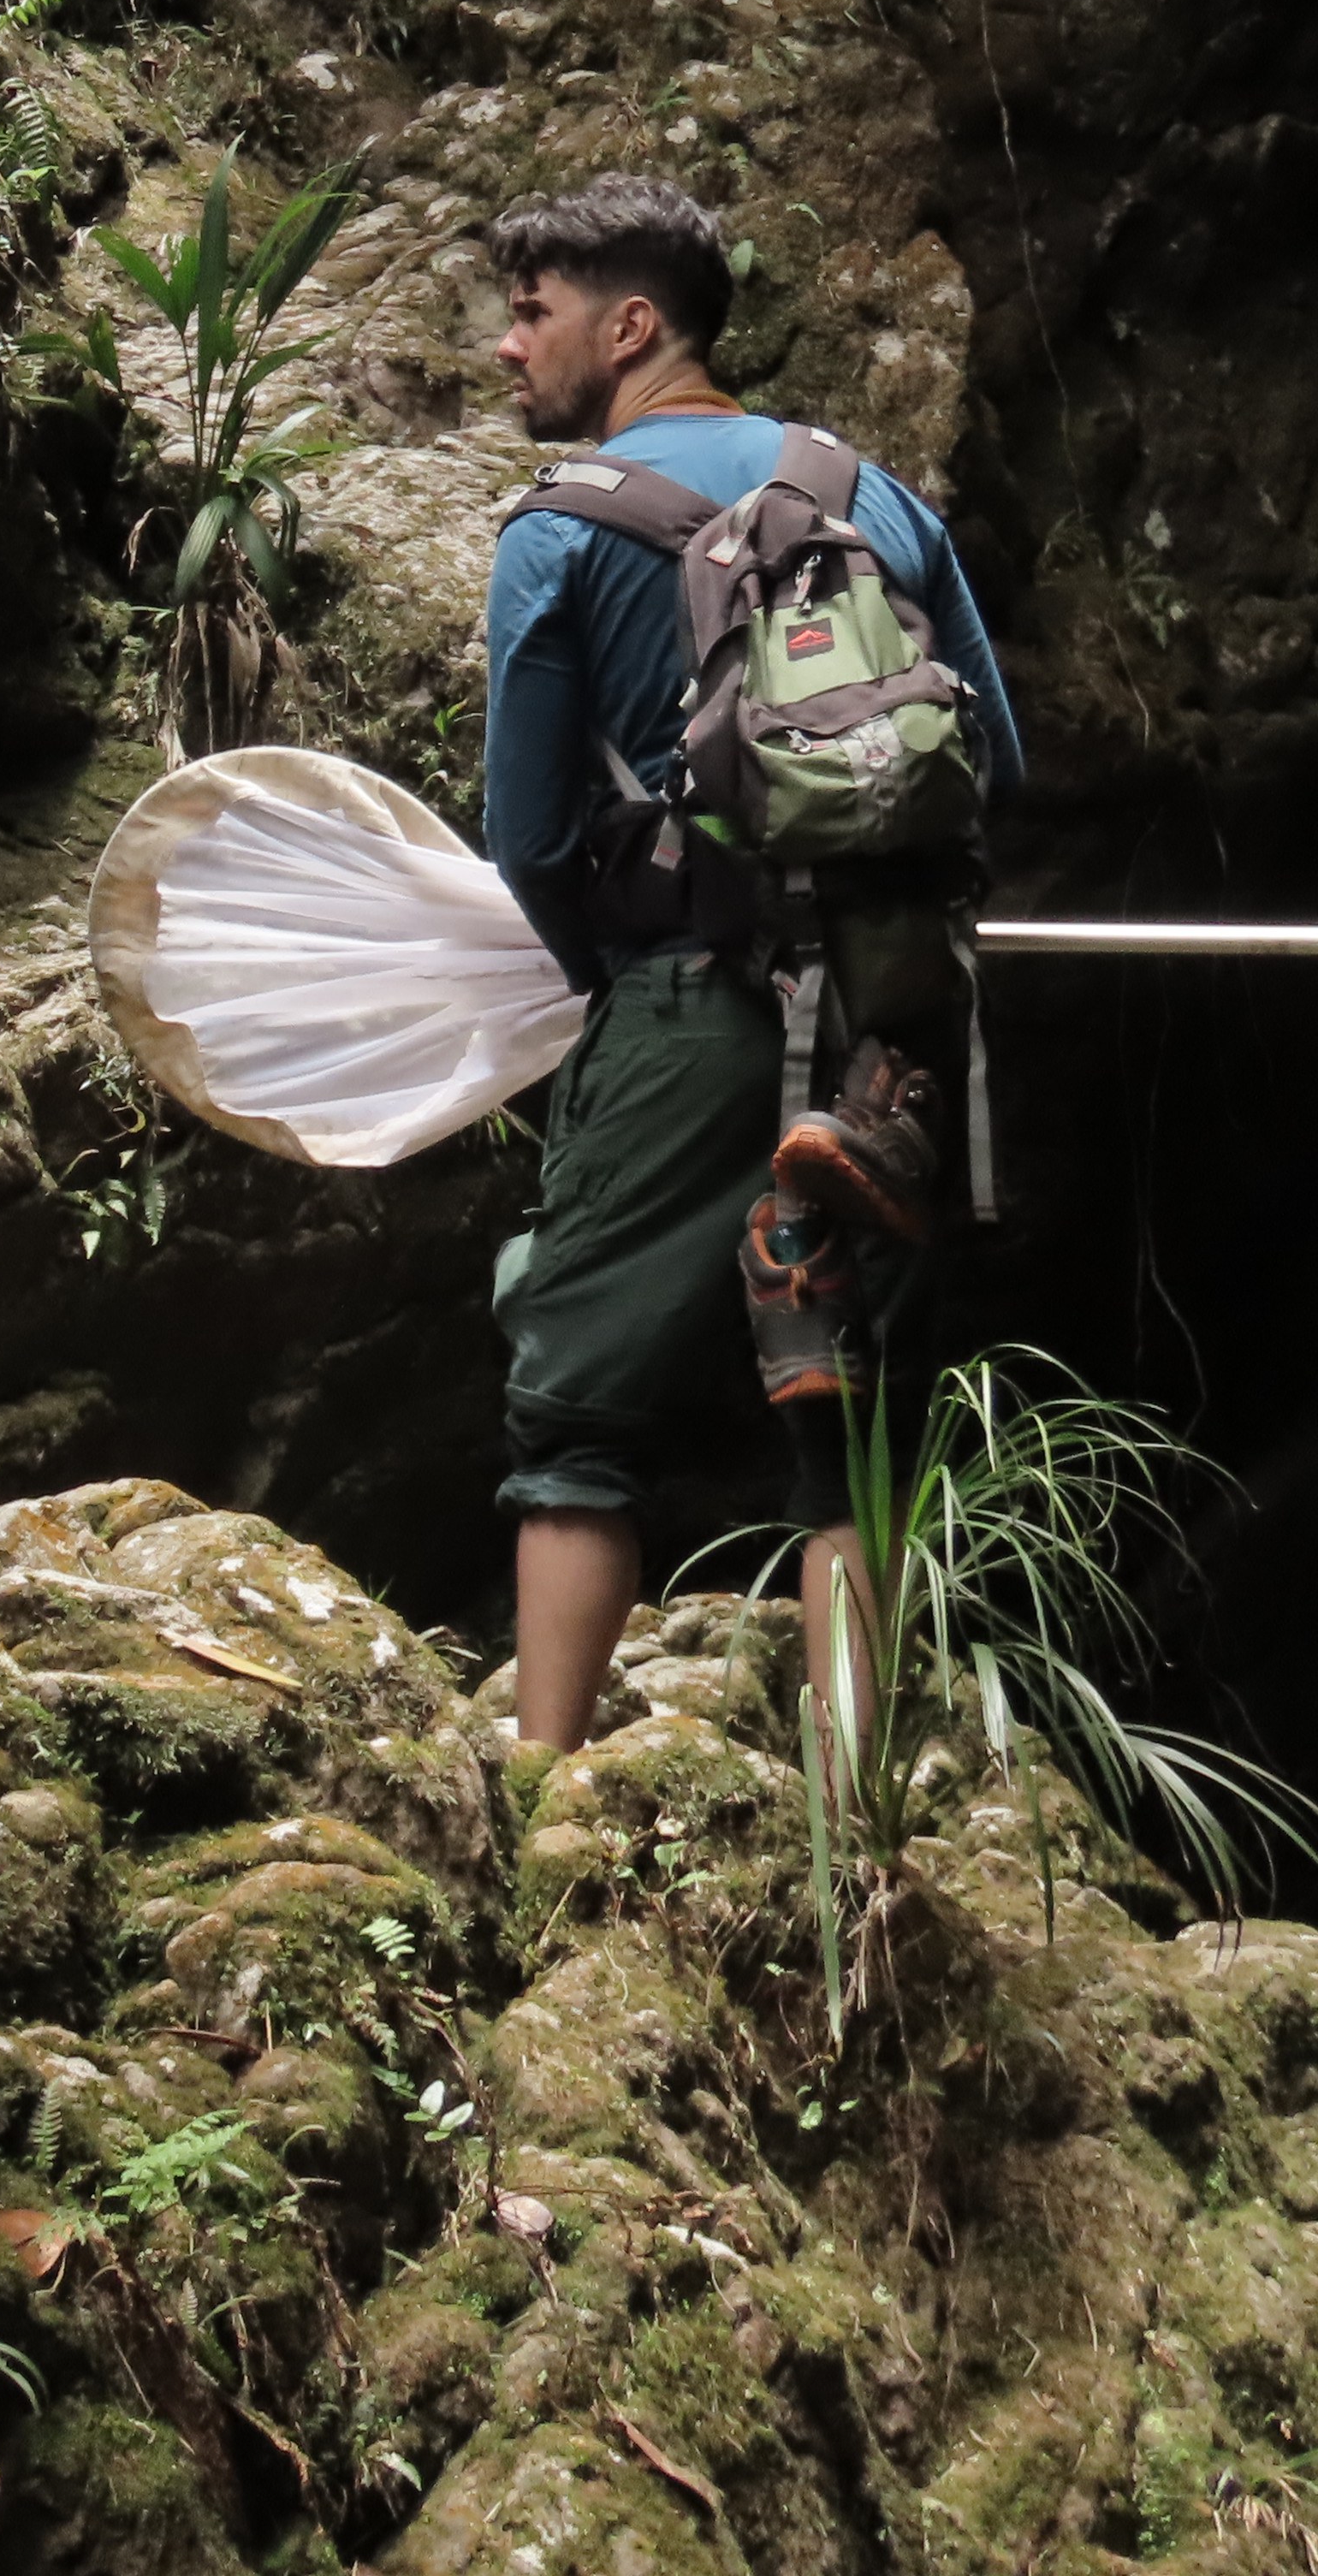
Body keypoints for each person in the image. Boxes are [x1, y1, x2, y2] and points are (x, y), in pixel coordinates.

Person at [477, 176, 1024, 1758]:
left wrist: (624, 973)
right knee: (842, 1412)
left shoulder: (561, 530)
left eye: (535, 312)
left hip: (684, 1009)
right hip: (888, 1030)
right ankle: (861, 1829)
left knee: (575, 1414)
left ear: (630, 327)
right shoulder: (878, 497)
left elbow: (522, 835)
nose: (511, 347)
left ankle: (541, 1802)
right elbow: (1000, 766)